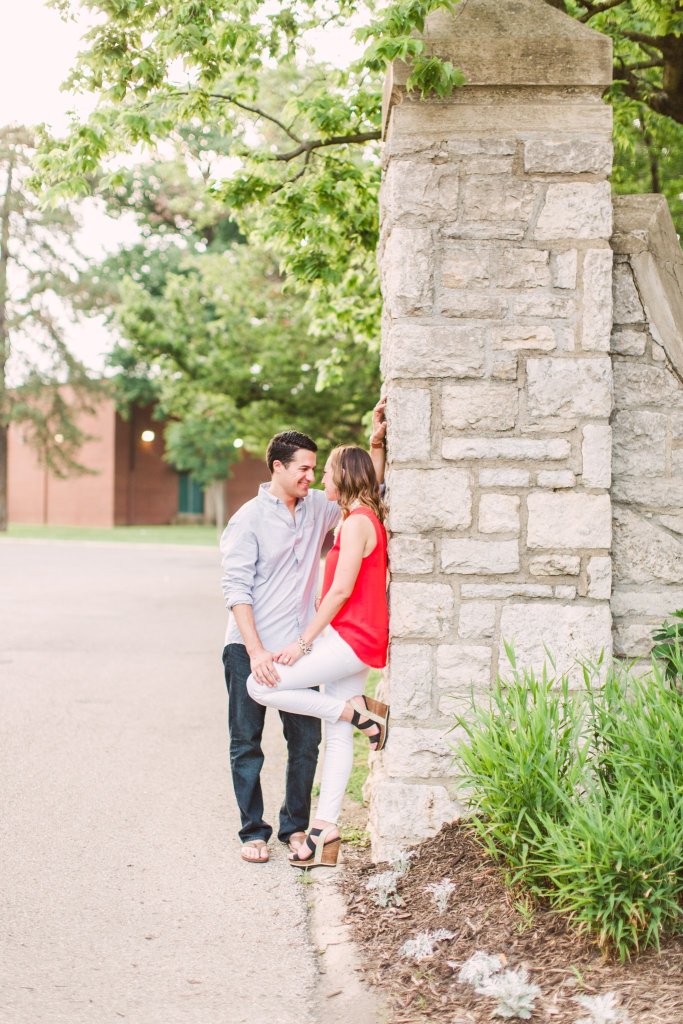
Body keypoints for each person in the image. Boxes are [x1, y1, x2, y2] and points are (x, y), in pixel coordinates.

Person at [221, 404, 386, 864]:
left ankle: (295, 827)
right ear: (278, 467)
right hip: (250, 647)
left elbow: (363, 488)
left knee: (306, 742)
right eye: (303, 469)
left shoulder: (318, 507)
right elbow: (236, 590)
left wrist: (375, 446)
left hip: (299, 645)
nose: (311, 478)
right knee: (246, 742)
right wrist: (256, 651)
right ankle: (253, 832)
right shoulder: (248, 519)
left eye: (316, 469)